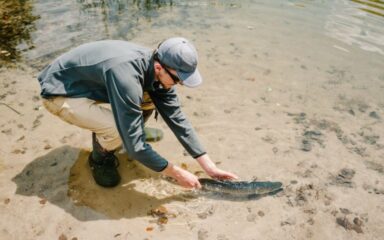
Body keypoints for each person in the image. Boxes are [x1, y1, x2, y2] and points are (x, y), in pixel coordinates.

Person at [37, 37, 238, 188]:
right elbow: (135, 148)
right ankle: (100, 158)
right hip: (61, 92)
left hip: (92, 83)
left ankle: (131, 129)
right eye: (178, 80)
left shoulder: (156, 67)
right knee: (118, 130)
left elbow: (177, 118)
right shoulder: (127, 76)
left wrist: (209, 167)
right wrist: (175, 172)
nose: (180, 85)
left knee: (151, 99)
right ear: (160, 67)